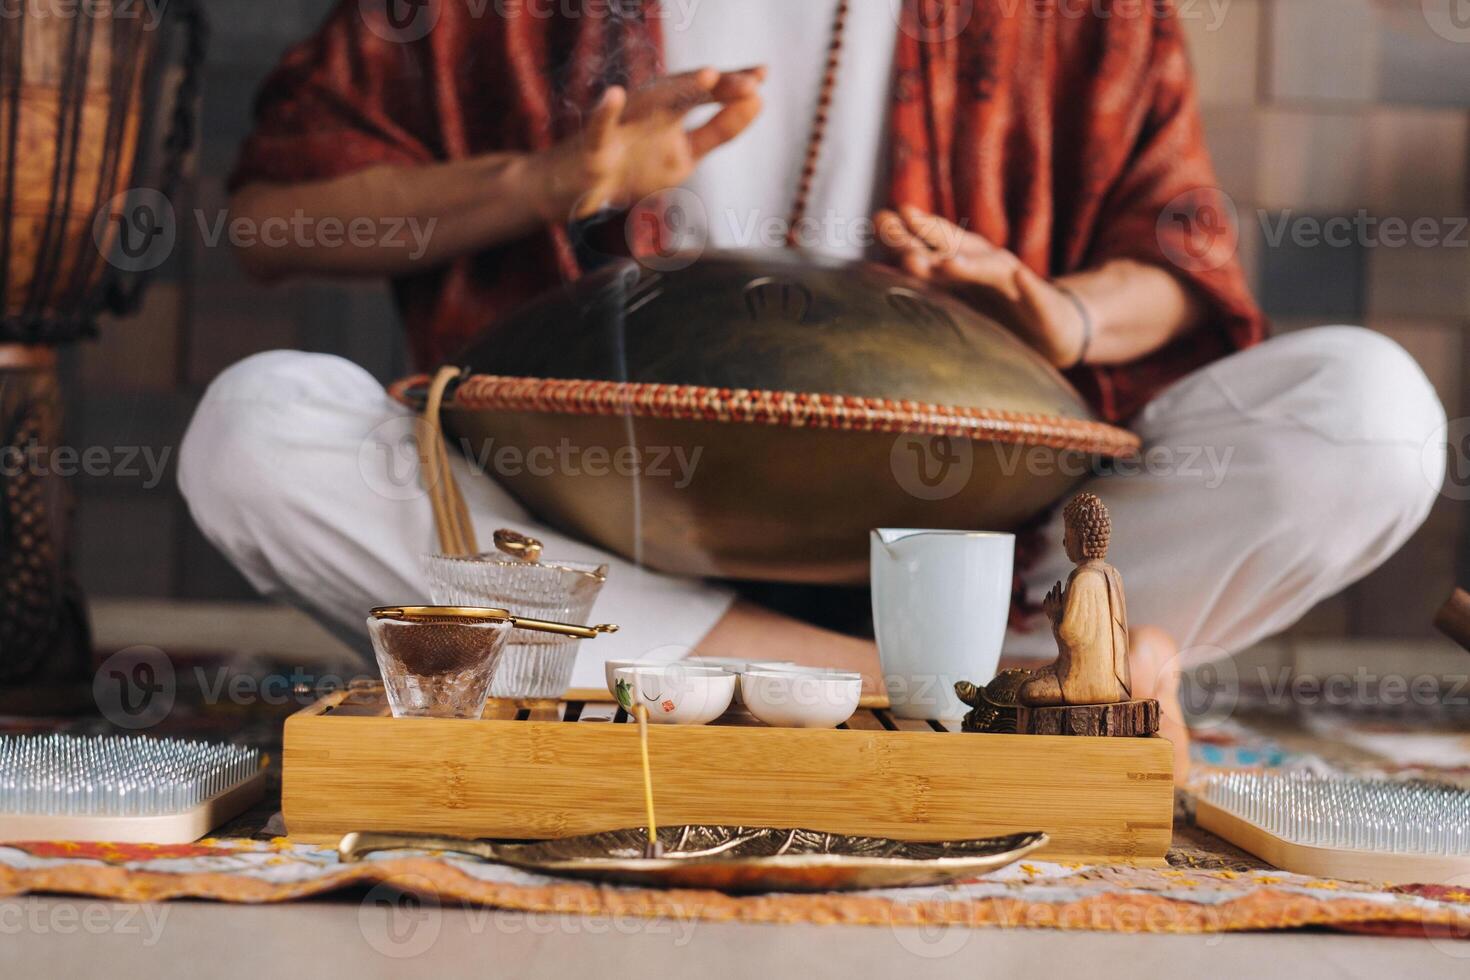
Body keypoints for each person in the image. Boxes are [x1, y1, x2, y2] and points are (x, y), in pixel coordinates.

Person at [179, 1, 1444, 761]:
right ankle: (965, 703)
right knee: (253, 431)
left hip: (981, 551)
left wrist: (1062, 311)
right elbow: (277, 220)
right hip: (585, 540)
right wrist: (546, 179)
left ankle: (993, 658)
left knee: (1369, 417)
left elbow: (1174, 258)